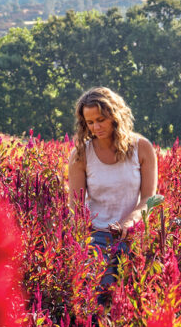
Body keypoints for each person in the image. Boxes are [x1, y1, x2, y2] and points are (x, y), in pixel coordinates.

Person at [66, 86, 159, 290]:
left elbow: (148, 198)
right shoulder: (81, 155)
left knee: (136, 294)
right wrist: (81, 244)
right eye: (90, 123)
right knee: (102, 297)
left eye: (101, 120)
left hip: (132, 234)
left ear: (115, 116)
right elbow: (76, 206)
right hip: (96, 235)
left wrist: (131, 221)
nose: (96, 127)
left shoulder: (141, 148)